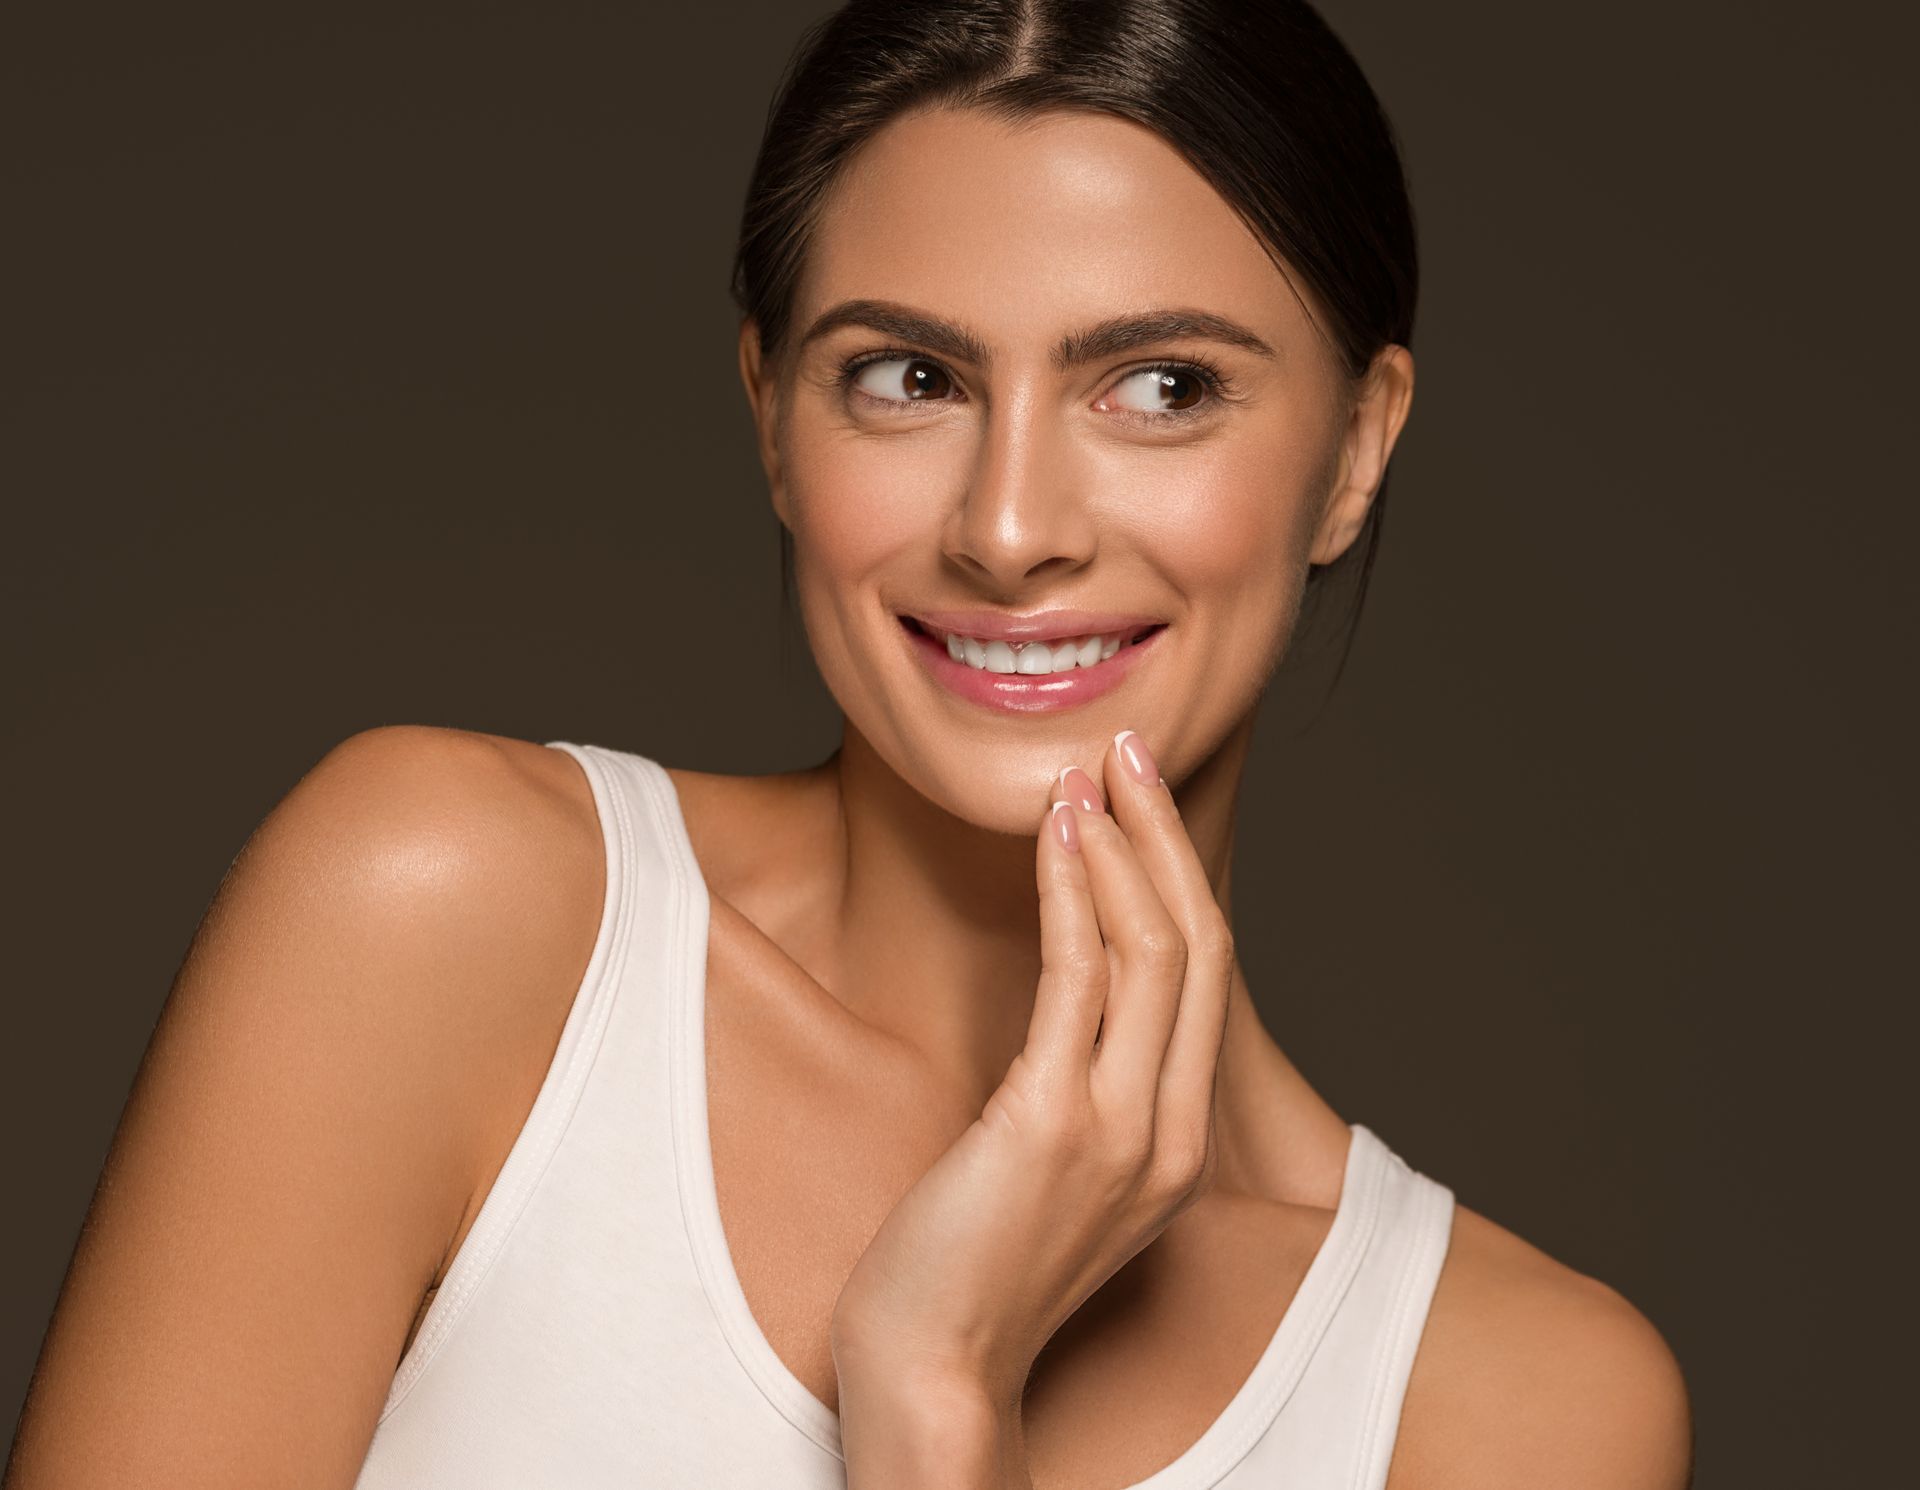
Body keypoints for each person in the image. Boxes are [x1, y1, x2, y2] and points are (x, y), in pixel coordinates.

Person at [3, 2, 1693, 1487]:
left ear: (1355, 450)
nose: (1012, 524)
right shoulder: (447, 929)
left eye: (1163, 387)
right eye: (905, 377)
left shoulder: (1515, 1403)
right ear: (772, 419)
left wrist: (941, 1393)